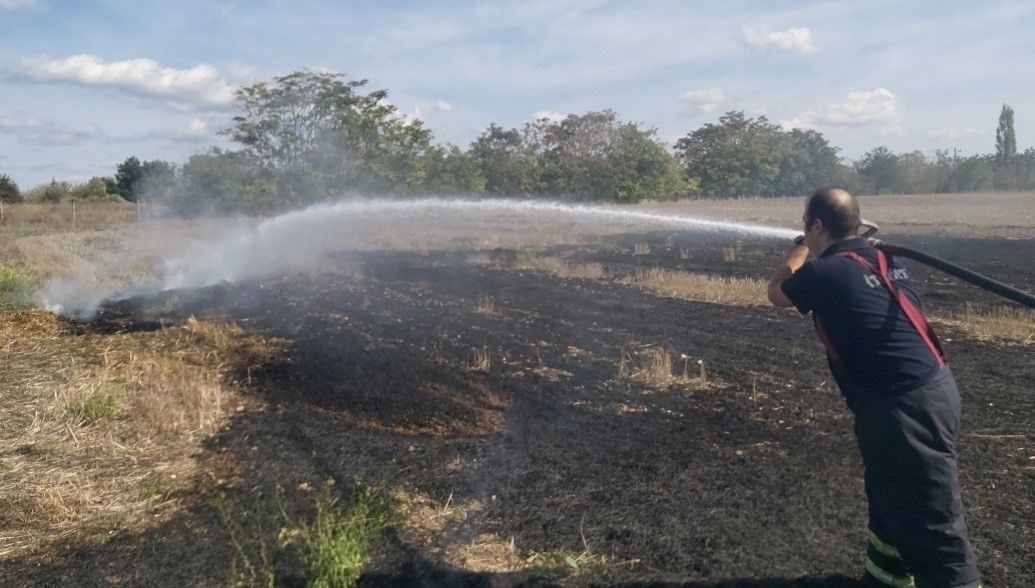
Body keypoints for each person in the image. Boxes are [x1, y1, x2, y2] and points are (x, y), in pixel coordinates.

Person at [767, 187, 981, 588]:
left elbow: (776, 293)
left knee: (935, 524)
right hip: (931, 391)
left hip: (903, 409)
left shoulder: (822, 271)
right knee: (889, 493)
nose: (804, 231)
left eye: (805, 225)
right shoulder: (884, 257)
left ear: (816, 225)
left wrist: (799, 250)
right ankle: (885, 579)